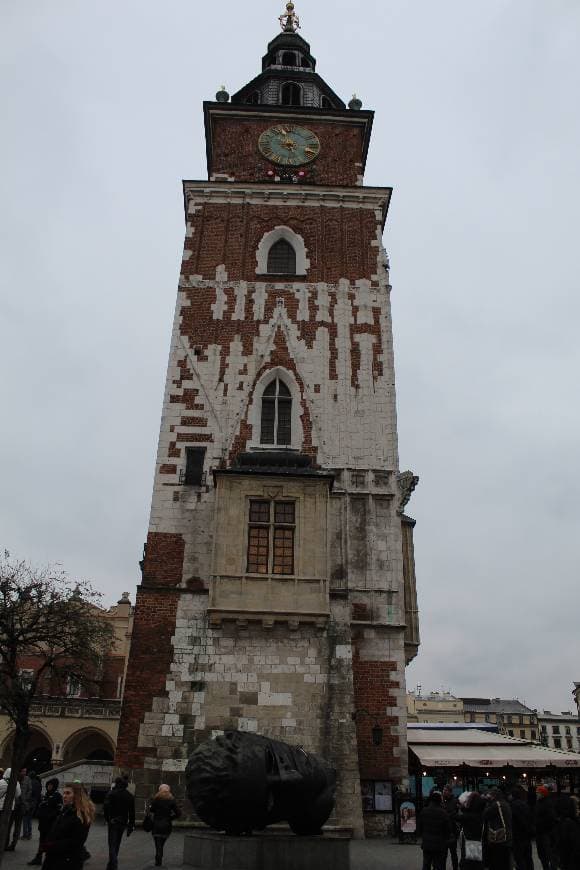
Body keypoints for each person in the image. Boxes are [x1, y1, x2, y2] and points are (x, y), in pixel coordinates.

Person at [40, 782, 95, 870]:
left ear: (76, 796)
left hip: (67, 862)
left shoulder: (80, 816)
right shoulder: (65, 811)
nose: (64, 796)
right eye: (64, 793)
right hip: (55, 858)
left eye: (68, 793)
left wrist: (52, 845)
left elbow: (75, 842)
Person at [28, 777, 62, 866]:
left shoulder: (57, 796)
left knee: (49, 842)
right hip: (43, 824)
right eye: (48, 785)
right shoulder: (46, 795)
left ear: (54, 786)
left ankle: (49, 859)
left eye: (51, 785)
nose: (49, 787)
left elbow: (58, 811)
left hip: (50, 824)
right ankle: (38, 858)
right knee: (42, 841)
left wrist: (49, 816)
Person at [103, 776, 135, 870]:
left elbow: (106, 807)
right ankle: (111, 864)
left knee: (112, 844)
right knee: (117, 843)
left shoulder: (111, 793)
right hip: (123, 822)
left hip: (113, 821)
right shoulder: (129, 795)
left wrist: (107, 819)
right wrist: (130, 826)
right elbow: (132, 813)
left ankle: (113, 864)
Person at [148, 783, 181, 867]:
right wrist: (170, 818)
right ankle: (158, 859)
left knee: (158, 844)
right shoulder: (171, 800)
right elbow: (179, 813)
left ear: (159, 790)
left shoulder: (156, 799)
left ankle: (158, 860)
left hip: (156, 825)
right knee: (161, 844)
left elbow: (151, 810)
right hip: (167, 826)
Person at [418, 790, 452, 870]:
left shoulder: (424, 811)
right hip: (439, 844)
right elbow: (448, 829)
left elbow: (420, 827)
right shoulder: (443, 813)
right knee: (438, 865)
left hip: (427, 843)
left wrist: (424, 836)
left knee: (426, 864)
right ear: (439, 801)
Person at [483, 788, 512, 870]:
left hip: (499, 838)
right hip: (507, 836)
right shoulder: (505, 803)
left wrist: (488, 802)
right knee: (505, 862)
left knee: (497, 862)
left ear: (494, 796)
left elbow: (485, 815)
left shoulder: (496, 805)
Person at [458, 792, 485, 869]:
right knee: (476, 864)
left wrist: (461, 807)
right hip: (477, 842)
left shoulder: (469, 816)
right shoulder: (481, 814)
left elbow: (456, 816)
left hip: (469, 842)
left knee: (468, 864)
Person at [510, 786, 535, 870]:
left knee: (519, 858)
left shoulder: (512, 806)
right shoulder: (525, 804)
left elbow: (513, 821)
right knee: (528, 857)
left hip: (517, 836)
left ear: (512, 795)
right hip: (526, 835)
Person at [535, 785, 558, 870]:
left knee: (548, 853)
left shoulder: (547, 803)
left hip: (546, 833)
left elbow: (551, 818)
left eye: (538, 792)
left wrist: (540, 824)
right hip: (541, 832)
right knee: (542, 854)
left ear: (542, 794)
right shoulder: (539, 803)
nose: (536, 794)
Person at [0, 768, 22, 850]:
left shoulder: (1, 782)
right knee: (7, 827)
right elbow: (18, 795)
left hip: (0, 808)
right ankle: (4, 844)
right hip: (10, 809)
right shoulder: (16, 783)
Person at [557, 796, 580, 870]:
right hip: (571, 862)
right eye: (576, 808)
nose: (578, 810)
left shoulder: (566, 821)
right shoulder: (569, 823)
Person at [443, 785, 460, 870]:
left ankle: (455, 868)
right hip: (444, 832)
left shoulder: (455, 801)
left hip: (452, 831)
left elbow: (455, 814)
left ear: (450, 792)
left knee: (453, 853)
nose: (444, 792)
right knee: (443, 854)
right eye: (443, 790)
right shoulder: (442, 801)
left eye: (445, 790)